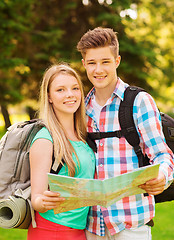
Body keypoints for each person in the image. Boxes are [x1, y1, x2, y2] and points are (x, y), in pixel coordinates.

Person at [77, 27, 174, 240]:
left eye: (105, 62)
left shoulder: (139, 102)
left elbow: (163, 156)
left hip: (132, 224)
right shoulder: (82, 108)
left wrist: (162, 176)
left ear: (117, 61)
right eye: (92, 63)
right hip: (92, 225)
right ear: (84, 64)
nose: (98, 69)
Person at [27, 63, 96, 240]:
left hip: (79, 231)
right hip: (52, 230)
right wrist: (43, 201)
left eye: (75, 88)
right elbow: (36, 198)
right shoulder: (45, 139)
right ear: (49, 97)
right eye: (60, 90)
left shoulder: (82, 135)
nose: (70, 95)